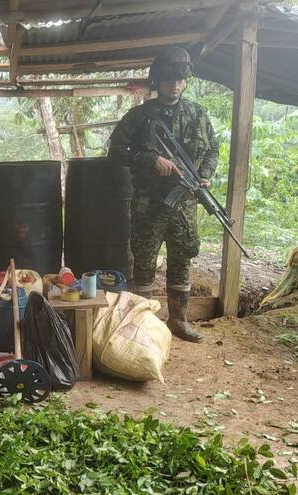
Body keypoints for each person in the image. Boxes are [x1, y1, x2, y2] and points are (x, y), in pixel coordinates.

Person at [108, 46, 219, 343]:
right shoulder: (139, 117)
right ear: (158, 80)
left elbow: (212, 150)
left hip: (184, 204)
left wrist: (206, 175)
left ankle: (178, 321)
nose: (175, 85)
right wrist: (149, 159)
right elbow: (116, 152)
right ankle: (142, 324)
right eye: (169, 79)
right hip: (148, 203)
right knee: (144, 263)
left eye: (180, 79)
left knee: (182, 259)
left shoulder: (197, 114)